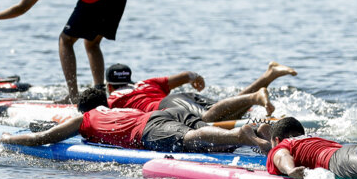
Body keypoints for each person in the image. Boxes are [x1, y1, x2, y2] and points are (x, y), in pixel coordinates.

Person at [0, 86, 269, 154]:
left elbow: (41, 139)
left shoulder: (84, 118)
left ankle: (240, 135)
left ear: (84, 108)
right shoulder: (113, 109)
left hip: (148, 127)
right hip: (161, 115)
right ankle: (259, 135)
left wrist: (7, 139)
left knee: (186, 140)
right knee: (204, 133)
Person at [105, 61, 298, 122]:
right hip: (184, 97)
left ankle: (256, 96)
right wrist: (196, 78)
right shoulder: (145, 83)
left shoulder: (113, 99)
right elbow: (186, 75)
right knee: (227, 113)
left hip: (170, 106)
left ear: (109, 87)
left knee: (207, 121)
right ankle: (269, 75)